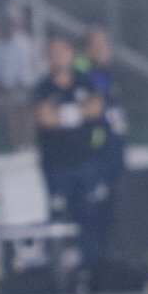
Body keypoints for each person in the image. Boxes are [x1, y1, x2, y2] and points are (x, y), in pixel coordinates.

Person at [32, 34, 113, 280]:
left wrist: (63, 116)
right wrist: (77, 114)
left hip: (86, 162)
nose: (58, 57)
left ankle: (92, 269)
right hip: (56, 165)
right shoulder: (43, 87)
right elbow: (45, 119)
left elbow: (96, 109)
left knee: (89, 214)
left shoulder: (85, 82)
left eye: (61, 52)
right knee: (59, 216)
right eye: (52, 53)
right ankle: (62, 274)